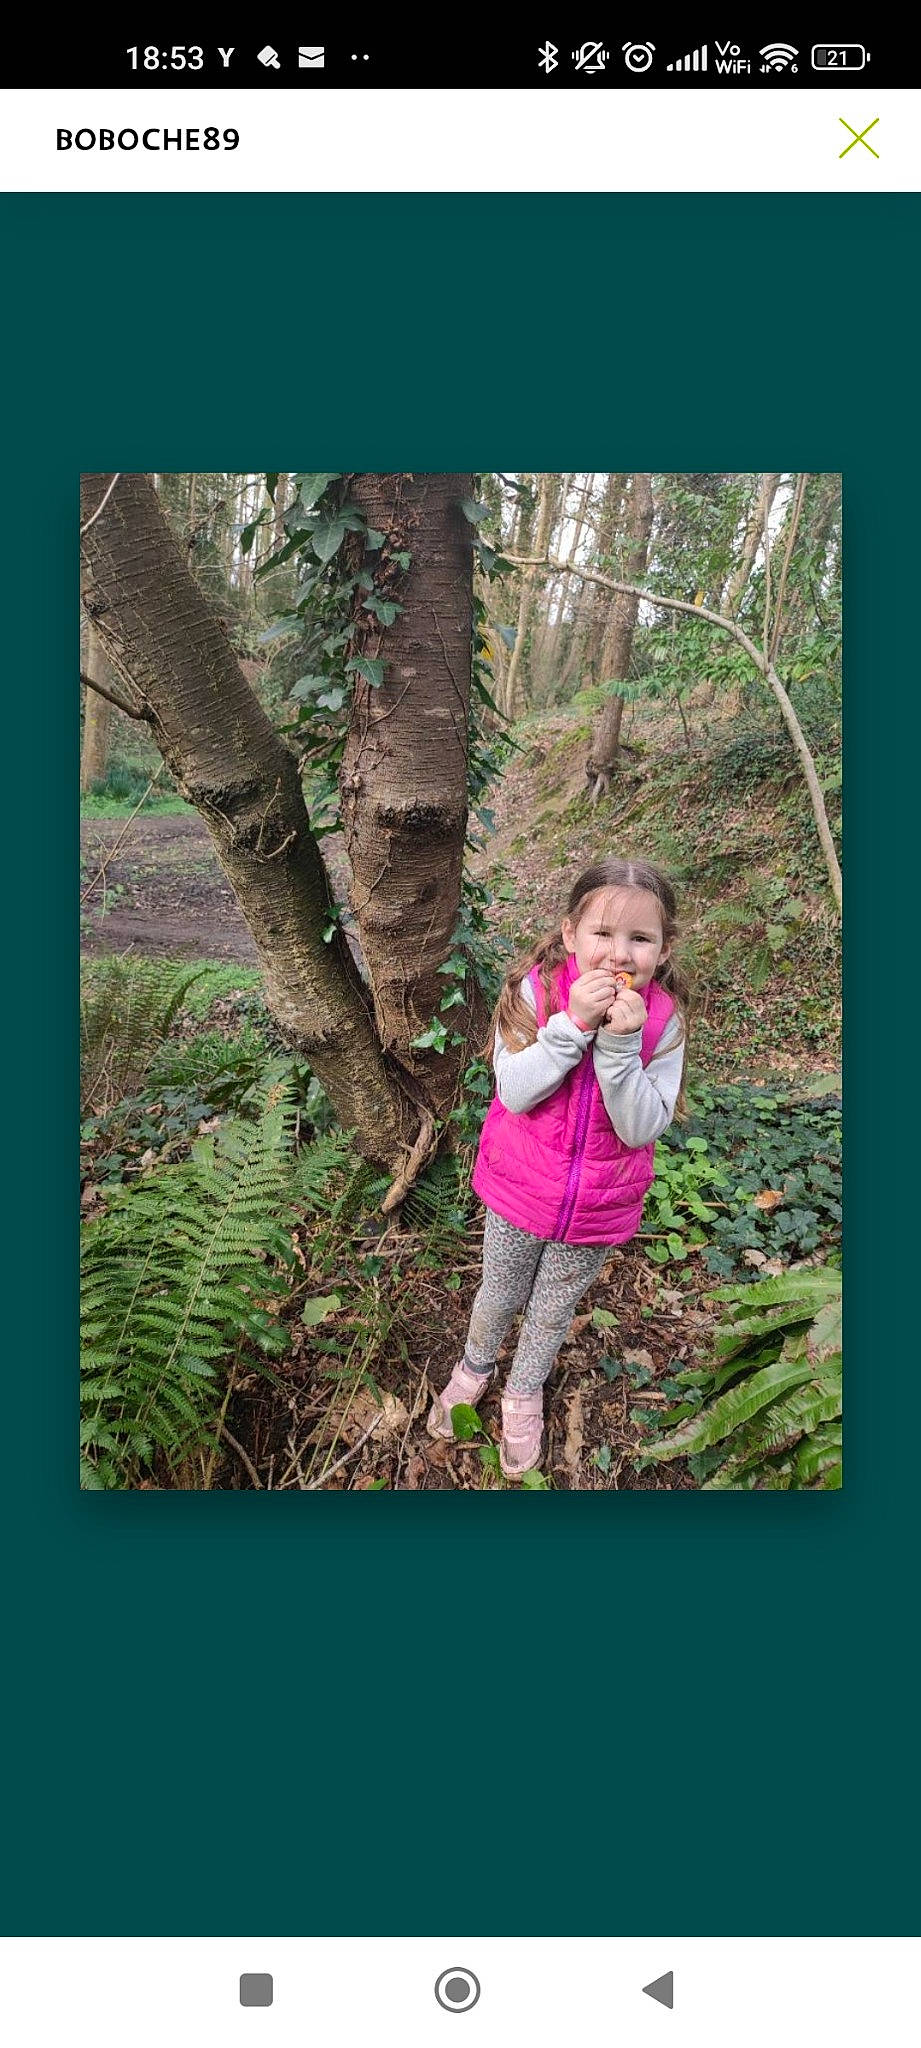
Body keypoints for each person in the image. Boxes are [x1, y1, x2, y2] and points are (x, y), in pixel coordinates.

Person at [428, 857, 689, 1479]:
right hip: (520, 1190)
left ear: (664, 947)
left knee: (550, 1309)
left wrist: (622, 1047)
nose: (618, 954)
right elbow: (515, 1090)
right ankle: (475, 1365)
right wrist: (572, 1026)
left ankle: (524, 1391)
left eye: (640, 939)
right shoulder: (538, 991)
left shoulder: (661, 1021)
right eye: (601, 933)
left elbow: (641, 1126)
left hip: (599, 1204)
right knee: (500, 1291)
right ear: (571, 933)